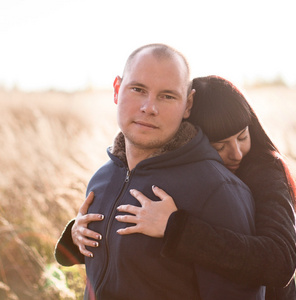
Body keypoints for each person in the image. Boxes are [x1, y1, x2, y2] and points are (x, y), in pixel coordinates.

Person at [55, 44, 265, 300]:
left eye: (167, 96)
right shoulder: (102, 178)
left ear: (188, 105)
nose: (149, 107)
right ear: (117, 89)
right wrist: (75, 236)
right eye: (138, 89)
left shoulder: (216, 189)